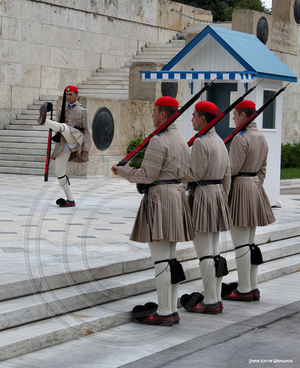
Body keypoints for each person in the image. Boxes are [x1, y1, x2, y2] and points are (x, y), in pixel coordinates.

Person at [111, 96, 194, 326]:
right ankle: (170, 308)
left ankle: (165, 312)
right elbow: (187, 175)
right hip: (177, 197)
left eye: (155, 111)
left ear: (164, 115)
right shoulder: (181, 139)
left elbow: (148, 174)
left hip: (160, 199)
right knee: (170, 258)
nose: (152, 115)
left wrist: (124, 171)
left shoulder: (159, 140)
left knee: (161, 260)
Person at [181, 101, 231, 315]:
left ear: (203, 119)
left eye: (194, 116)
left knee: (204, 254)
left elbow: (195, 174)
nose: (192, 119)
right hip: (218, 194)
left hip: (202, 196)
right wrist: (222, 198)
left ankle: (210, 301)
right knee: (214, 251)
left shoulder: (201, 143)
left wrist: (179, 175)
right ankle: (216, 296)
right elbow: (227, 174)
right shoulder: (220, 140)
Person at [223, 100, 275, 302]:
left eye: (235, 115)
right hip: (255, 187)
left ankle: (244, 288)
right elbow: (262, 168)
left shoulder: (240, 138)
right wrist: (254, 184)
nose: (233, 119)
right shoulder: (261, 137)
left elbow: (232, 169)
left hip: (242, 188)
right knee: (250, 242)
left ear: (244, 116)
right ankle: (253, 287)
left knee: (241, 243)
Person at [37, 85, 92, 207]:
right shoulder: (62, 109)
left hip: (76, 139)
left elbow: (88, 130)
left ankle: (44, 121)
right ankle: (70, 199)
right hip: (63, 143)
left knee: (65, 128)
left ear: (77, 95)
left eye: (71, 94)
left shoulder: (83, 110)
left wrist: (86, 148)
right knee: (59, 173)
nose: (68, 97)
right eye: (67, 95)